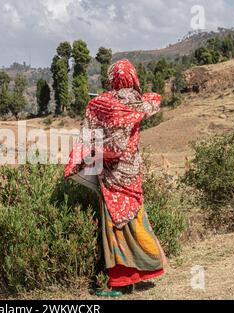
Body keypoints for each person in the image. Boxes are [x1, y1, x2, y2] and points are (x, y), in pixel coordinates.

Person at [65, 59, 167, 297]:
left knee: (115, 226)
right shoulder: (140, 104)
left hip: (111, 174)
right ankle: (145, 266)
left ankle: (121, 281)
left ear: (111, 79)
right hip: (133, 172)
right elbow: (156, 99)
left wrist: (84, 156)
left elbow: (89, 134)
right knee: (135, 218)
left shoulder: (101, 104)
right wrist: (136, 94)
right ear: (133, 78)